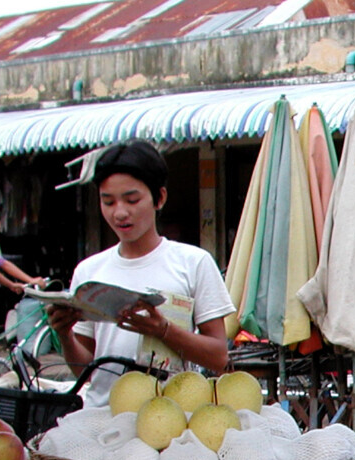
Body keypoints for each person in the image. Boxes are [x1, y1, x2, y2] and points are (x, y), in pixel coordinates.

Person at [47, 141, 233, 407]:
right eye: (108, 201)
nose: (120, 212)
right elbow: (86, 371)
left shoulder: (193, 263)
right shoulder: (89, 271)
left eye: (132, 200)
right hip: (103, 417)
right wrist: (65, 334)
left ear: (160, 198)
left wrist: (163, 330)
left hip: (172, 418)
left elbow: (218, 357)